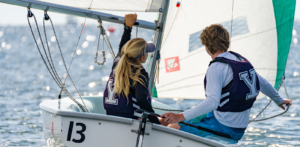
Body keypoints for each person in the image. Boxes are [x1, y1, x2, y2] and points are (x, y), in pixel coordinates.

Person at [161, 24, 292, 140]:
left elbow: (213, 102)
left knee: (172, 128)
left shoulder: (216, 67)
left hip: (224, 126)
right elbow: (262, 83)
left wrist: (180, 116)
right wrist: (279, 100)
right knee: (176, 119)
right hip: (236, 127)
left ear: (206, 46)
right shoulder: (240, 60)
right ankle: (163, 122)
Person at [103, 14, 160, 124]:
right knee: (169, 124)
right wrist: (156, 122)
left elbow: (122, 49)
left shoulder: (117, 64)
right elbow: (141, 99)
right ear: (142, 57)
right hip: (130, 122)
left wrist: (128, 27)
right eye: (147, 52)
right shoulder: (140, 73)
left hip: (111, 118)